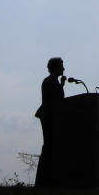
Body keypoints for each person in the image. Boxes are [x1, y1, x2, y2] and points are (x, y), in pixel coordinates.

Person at [35, 57, 66, 188]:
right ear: (55, 67)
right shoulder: (49, 81)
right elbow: (57, 98)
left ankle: (47, 180)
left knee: (50, 147)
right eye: (61, 66)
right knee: (49, 146)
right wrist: (62, 85)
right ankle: (43, 181)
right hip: (49, 117)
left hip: (52, 116)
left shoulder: (52, 81)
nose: (63, 69)